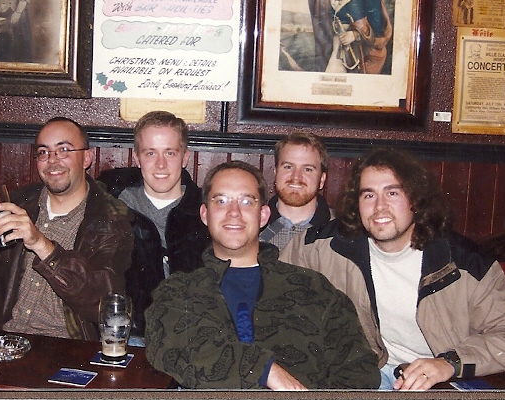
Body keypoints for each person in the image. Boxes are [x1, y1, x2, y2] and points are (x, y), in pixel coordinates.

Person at [280, 148, 505, 391]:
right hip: (366, 376)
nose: (379, 206)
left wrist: (449, 363)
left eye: (392, 193)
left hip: (441, 381)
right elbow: (271, 292)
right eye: (369, 195)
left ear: (415, 201)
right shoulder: (322, 247)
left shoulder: (463, 263)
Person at [145, 160, 380, 390]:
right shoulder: (179, 291)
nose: (234, 212)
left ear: (264, 215)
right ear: (205, 214)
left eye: (246, 201)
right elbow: (170, 346)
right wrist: (266, 371)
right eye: (222, 201)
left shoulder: (313, 288)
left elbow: (359, 369)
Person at [0, 117, 134, 340]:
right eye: (43, 152)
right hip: (4, 340)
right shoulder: (16, 204)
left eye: (63, 150)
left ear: (86, 158)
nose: (52, 161)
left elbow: (103, 301)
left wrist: (42, 245)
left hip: (63, 346)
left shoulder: (112, 219)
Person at [98, 110, 209, 341]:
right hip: (130, 334)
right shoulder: (112, 205)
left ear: (185, 157)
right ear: (137, 158)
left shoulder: (206, 212)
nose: (160, 164)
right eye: (150, 153)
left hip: (191, 336)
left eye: (170, 152)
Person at [259, 132, 333, 250]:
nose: (296, 177)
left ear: (322, 180)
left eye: (307, 169)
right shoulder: (251, 229)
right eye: (288, 167)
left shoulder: (342, 233)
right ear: (276, 173)